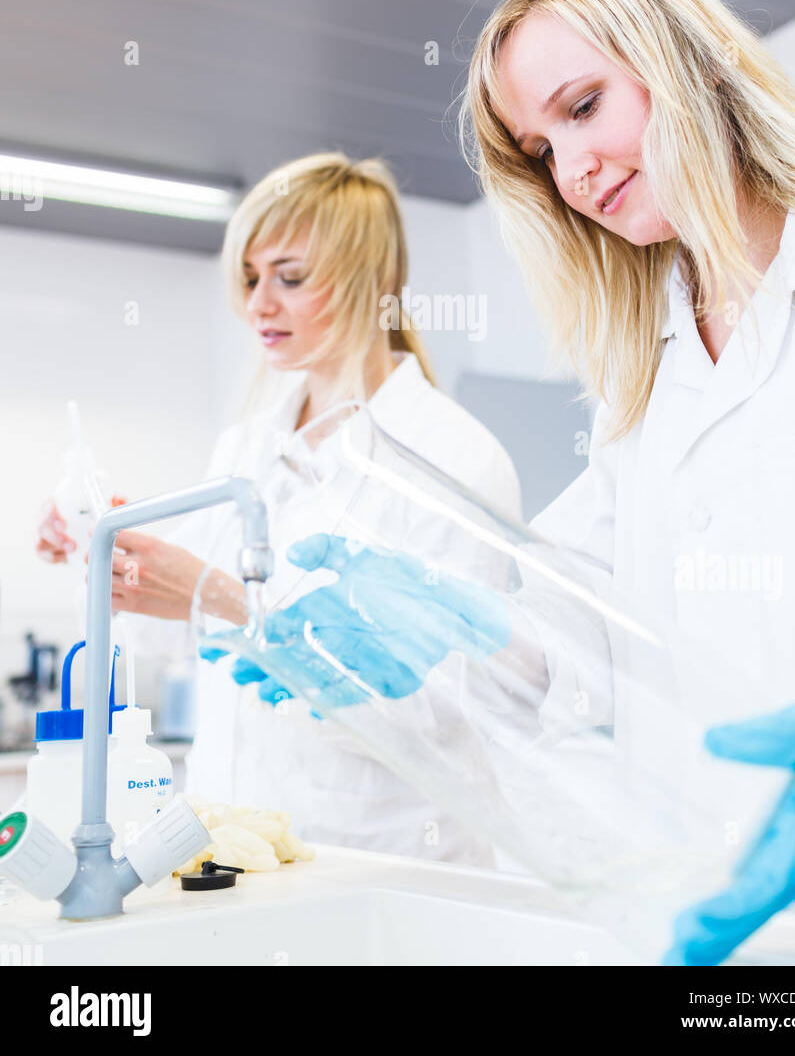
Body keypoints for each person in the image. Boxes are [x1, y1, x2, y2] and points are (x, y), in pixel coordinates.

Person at [222, 0, 795, 954]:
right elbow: (572, 631)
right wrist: (445, 622)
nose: (571, 172)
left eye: (582, 108)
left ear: (690, 59)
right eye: (539, 151)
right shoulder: (640, 377)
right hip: (700, 913)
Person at [37, 152, 521, 864]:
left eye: (291, 278)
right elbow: (166, 639)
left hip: (382, 859)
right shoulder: (247, 447)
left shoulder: (454, 457)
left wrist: (223, 599)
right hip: (232, 847)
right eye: (251, 278)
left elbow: (446, 711)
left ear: (374, 280)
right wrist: (103, 541)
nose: (259, 305)